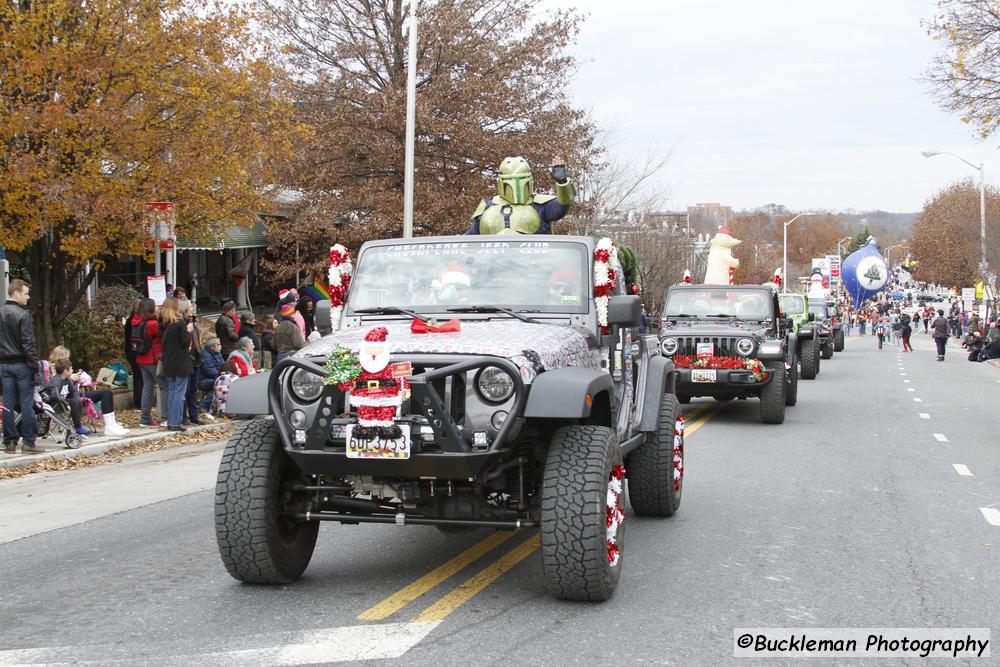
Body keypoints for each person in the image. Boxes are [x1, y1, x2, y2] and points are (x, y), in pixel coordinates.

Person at [467, 156, 576, 235]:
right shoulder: (489, 206)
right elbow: (471, 237)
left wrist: (562, 182)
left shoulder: (540, 205)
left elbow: (563, 204)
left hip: (534, 263)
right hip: (493, 263)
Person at [0, 279, 40, 454]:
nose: (28, 297)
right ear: (16, 293)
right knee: (26, 403)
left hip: (4, 364)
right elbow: (28, 343)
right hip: (21, 364)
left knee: (7, 403)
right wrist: (34, 365)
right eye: (25, 293)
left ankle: (9, 441)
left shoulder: (1, 312)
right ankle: (29, 441)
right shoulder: (23, 315)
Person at [46, 358, 130, 436]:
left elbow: (74, 391)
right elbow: (54, 395)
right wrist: (70, 401)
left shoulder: (67, 379)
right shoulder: (56, 380)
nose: (72, 371)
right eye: (71, 369)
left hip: (72, 398)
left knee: (106, 393)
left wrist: (77, 395)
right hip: (61, 402)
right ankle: (78, 427)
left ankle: (111, 424)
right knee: (74, 401)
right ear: (65, 371)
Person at [159, 296, 193, 431]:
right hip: (180, 361)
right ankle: (176, 421)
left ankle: (170, 421)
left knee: (172, 391)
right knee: (179, 393)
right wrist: (189, 331)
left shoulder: (163, 324)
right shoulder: (180, 323)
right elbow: (185, 342)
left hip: (169, 361)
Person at [131, 298, 166, 427]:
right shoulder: (152, 324)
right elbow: (162, 334)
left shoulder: (135, 322)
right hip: (153, 358)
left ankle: (145, 418)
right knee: (163, 386)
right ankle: (165, 417)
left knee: (147, 388)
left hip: (141, 359)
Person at [181, 301, 204, 426]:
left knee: (193, 390)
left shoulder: (192, 324)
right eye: (190, 308)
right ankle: (184, 416)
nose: (192, 310)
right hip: (188, 360)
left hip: (196, 359)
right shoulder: (183, 324)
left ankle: (194, 415)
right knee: (186, 389)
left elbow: (197, 341)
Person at [123, 298, 144, 410]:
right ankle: (140, 403)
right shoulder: (138, 322)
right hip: (137, 352)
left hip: (130, 351)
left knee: (137, 377)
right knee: (140, 378)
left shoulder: (129, 320)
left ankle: (138, 402)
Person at [198, 338, 224, 411]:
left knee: (225, 382)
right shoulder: (205, 355)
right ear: (212, 346)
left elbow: (223, 365)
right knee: (220, 384)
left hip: (216, 377)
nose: (220, 346)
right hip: (203, 380)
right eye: (218, 344)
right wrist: (221, 377)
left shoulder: (217, 353)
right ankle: (203, 405)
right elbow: (210, 371)